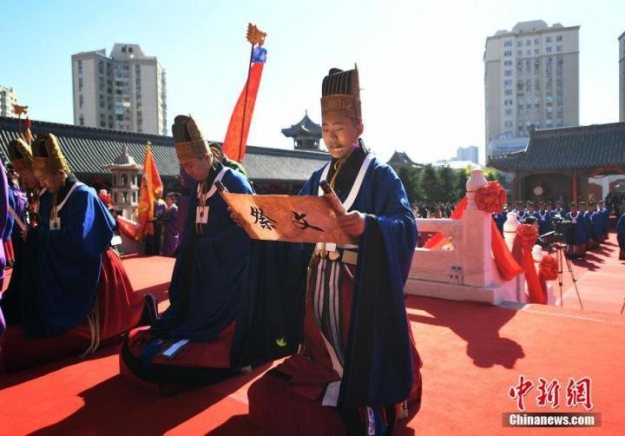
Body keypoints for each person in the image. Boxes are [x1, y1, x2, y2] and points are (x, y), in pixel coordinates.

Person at [247, 67, 422, 435]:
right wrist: (257, 221)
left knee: (354, 370)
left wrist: (370, 225)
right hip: (318, 285)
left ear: (360, 127)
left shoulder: (381, 175)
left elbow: (406, 226)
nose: (331, 136)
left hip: (358, 292)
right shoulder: (319, 176)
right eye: (326, 129)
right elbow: (293, 222)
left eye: (339, 127)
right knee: (282, 383)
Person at [120, 115, 257, 392]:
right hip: (204, 267)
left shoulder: (234, 182)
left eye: (192, 164)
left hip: (228, 271)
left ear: (207, 156)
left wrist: (205, 247)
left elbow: (249, 232)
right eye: (183, 166)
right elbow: (191, 229)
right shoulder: (199, 186)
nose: (188, 171)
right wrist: (189, 250)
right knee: (182, 303)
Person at [0, 133, 148, 372]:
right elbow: (47, 231)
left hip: (92, 266)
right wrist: (36, 237)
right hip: (63, 262)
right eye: (39, 178)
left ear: (59, 172)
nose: (43, 183)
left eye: (45, 178)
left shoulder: (83, 195)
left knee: (113, 319)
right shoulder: (48, 196)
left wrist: (39, 236)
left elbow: (81, 240)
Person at [158, 192, 180, 257]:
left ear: (172, 200)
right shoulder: (168, 208)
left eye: (168, 199)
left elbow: (171, 219)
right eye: (166, 199)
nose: (166, 201)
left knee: (172, 244)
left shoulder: (174, 209)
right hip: (168, 230)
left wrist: (163, 219)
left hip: (172, 230)